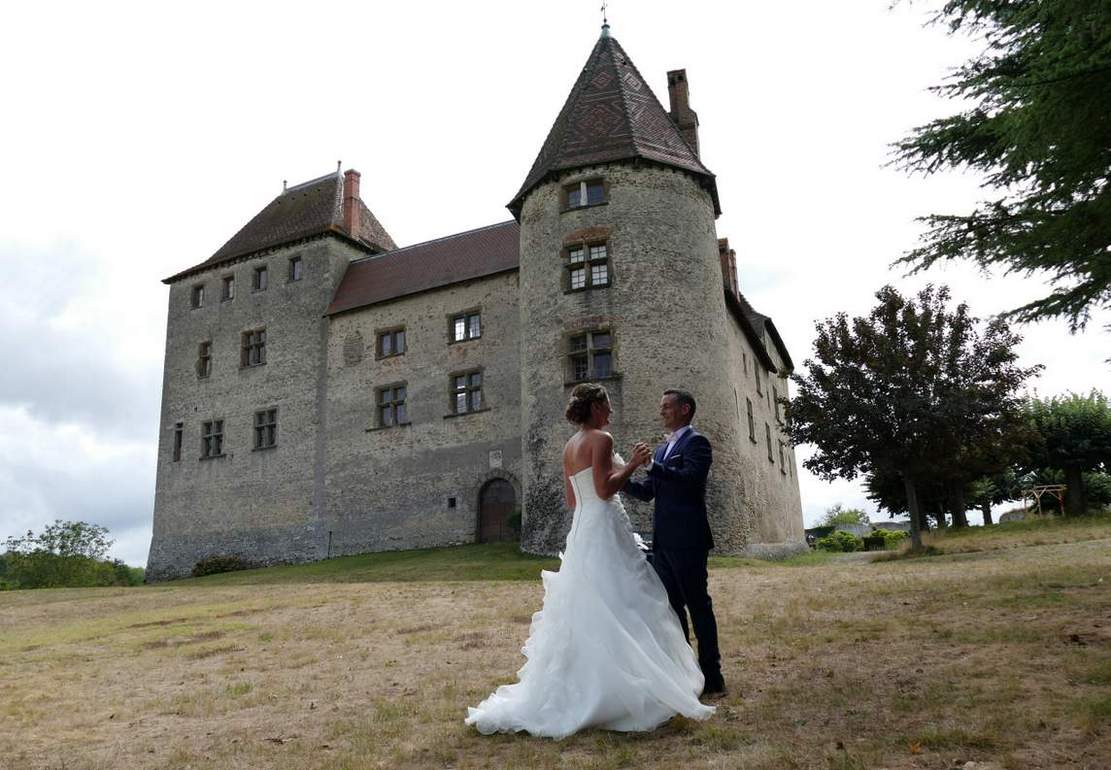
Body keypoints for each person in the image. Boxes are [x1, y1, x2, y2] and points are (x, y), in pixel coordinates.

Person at [465, 383, 714, 739]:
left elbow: (573, 498)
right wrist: (630, 466)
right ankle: (629, 685)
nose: (611, 412)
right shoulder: (602, 439)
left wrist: (623, 476)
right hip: (605, 524)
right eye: (607, 405)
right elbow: (604, 489)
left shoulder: (569, 446)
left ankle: (583, 684)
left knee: (592, 602)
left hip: (584, 528)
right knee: (624, 598)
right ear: (596, 406)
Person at [624, 389, 726, 697]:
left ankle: (713, 676)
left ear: (684, 409)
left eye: (667, 407)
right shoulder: (662, 448)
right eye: (661, 407)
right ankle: (686, 671)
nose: (662, 411)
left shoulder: (698, 443)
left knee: (698, 606)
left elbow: (691, 478)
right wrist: (619, 477)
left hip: (689, 538)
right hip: (663, 542)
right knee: (671, 608)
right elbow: (647, 492)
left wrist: (653, 467)